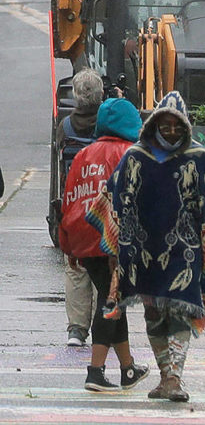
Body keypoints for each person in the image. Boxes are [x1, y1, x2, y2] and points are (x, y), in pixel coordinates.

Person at [93, 91, 205, 403]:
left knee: (181, 310)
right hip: (143, 252)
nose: (170, 131)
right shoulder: (135, 157)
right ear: (154, 124)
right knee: (154, 313)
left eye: (176, 126)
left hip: (185, 251)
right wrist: (117, 252)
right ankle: (166, 374)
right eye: (164, 125)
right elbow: (114, 202)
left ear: (186, 126)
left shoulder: (200, 158)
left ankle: (174, 377)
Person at [60, 98, 149, 392]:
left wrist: (68, 245)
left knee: (113, 301)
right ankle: (95, 371)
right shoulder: (132, 155)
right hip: (117, 242)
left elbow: (69, 201)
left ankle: (127, 368)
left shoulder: (84, 155)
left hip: (85, 240)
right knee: (111, 303)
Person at [58, 68, 103, 348]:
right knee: (103, 264)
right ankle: (103, 322)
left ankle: (77, 328)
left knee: (76, 267)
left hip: (74, 202)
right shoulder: (107, 127)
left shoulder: (65, 126)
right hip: (101, 205)